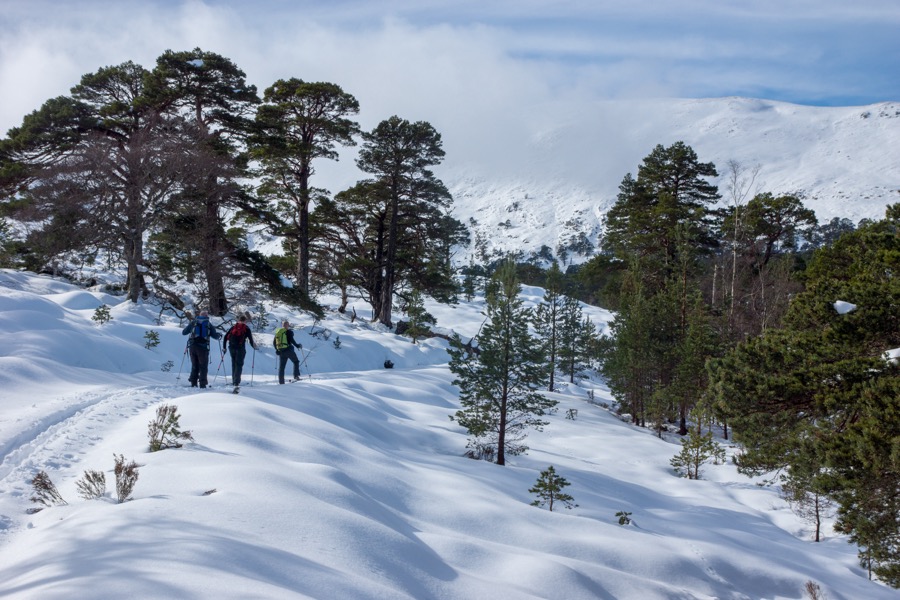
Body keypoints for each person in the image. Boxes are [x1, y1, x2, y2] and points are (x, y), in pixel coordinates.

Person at [182, 310, 221, 388]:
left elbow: (184, 332)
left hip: (192, 347)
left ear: (199, 315)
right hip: (203, 348)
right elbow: (215, 336)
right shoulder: (208, 324)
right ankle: (202, 384)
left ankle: (193, 382)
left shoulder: (193, 322)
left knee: (194, 365)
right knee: (203, 366)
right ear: (207, 316)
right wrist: (219, 335)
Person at [223, 314, 257, 390]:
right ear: (245, 321)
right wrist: (254, 346)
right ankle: (236, 382)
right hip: (240, 348)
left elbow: (225, 337)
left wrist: (224, 347)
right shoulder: (246, 328)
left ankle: (234, 380)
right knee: (239, 364)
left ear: (239, 320)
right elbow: (251, 340)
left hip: (231, 348)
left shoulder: (233, 327)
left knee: (233, 364)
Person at [274, 320, 303, 384]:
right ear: (287, 325)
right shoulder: (288, 332)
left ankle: (281, 382)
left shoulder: (278, 332)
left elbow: (274, 343)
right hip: (288, 350)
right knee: (296, 361)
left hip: (281, 351)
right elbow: (292, 340)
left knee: (282, 368)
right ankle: (296, 376)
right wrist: (297, 346)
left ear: (282, 325)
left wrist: (277, 350)